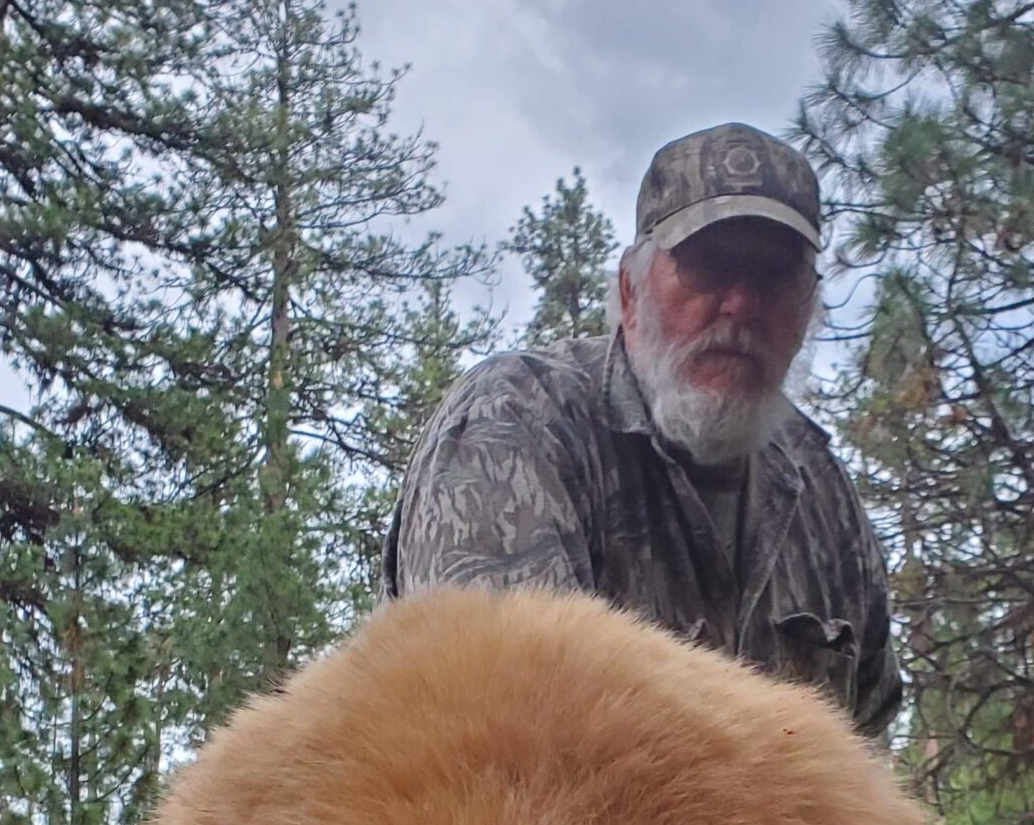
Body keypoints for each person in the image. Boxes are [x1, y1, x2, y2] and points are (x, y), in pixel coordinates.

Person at [383, 123, 902, 735]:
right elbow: (497, 738)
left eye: (773, 277)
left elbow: (867, 754)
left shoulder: (823, 493)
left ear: (810, 309)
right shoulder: (515, 424)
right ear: (630, 290)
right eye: (709, 267)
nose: (741, 305)